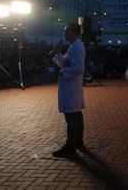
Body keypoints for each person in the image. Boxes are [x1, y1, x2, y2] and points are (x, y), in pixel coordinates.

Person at [51, 23, 86, 157]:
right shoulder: (74, 45)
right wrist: (57, 54)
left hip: (71, 86)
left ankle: (70, 146)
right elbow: (65, 62)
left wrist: (64, 72)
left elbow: (79, 68)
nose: (64, 34)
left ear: (73, 32)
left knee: (71, 116)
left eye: (66, 32)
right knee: (76, 114)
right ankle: (78, 141)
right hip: (72, 86)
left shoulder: (77, 47)